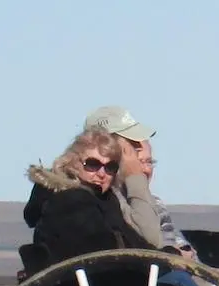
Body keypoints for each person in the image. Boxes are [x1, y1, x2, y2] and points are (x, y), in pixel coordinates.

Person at [82, 105, 194, 257]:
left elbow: (185, 252)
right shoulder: (99, 202)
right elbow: (152, 245)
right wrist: (135, 177)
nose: (145, 169)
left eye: (149, 162)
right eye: (130, 150)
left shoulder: (153, 204)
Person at [22, 130, 139, 262]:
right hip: (79, 279)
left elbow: (136, 244)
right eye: (93, 164)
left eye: (110, 167)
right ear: (73, 163)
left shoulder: (108, 202)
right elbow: (100, 248)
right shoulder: (69, 201)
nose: (102, 174)